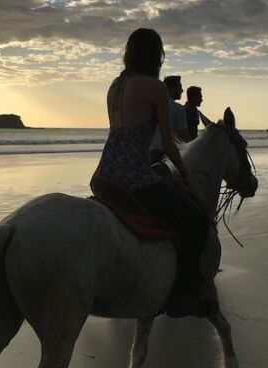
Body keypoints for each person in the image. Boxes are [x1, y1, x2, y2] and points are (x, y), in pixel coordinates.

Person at [91, 28, 215, 318]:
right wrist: (184, 172)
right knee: (196, 221)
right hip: (135, 178)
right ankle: (184, 292)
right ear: (156, 56)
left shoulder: (115, 85)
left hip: (104, 173)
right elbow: (170, 144)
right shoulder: (155, 88)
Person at [149, 75, 190, 163]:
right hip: (166, 156)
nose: (182, 90)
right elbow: (184, 135)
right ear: (172, 88)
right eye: (180, 87)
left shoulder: (151, 106)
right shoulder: (178, 109)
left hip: (148, 152)